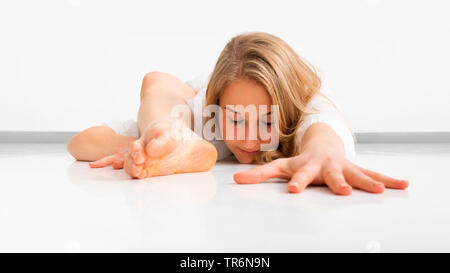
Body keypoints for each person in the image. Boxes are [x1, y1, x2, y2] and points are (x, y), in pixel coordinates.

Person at [67, 31, 409, 195]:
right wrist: (145, 142)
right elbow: (79, 144)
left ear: (285, 113)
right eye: (236, 119)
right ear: (218, 107)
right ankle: (166, 130)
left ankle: (165, 130)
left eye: (267, 121)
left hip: (196, 113)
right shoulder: (208, 113)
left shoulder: (308, 101)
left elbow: (322, 131)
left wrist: (321, 154)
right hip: (183, 106)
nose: (248, 138)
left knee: (167, 99)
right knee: (163, 95)